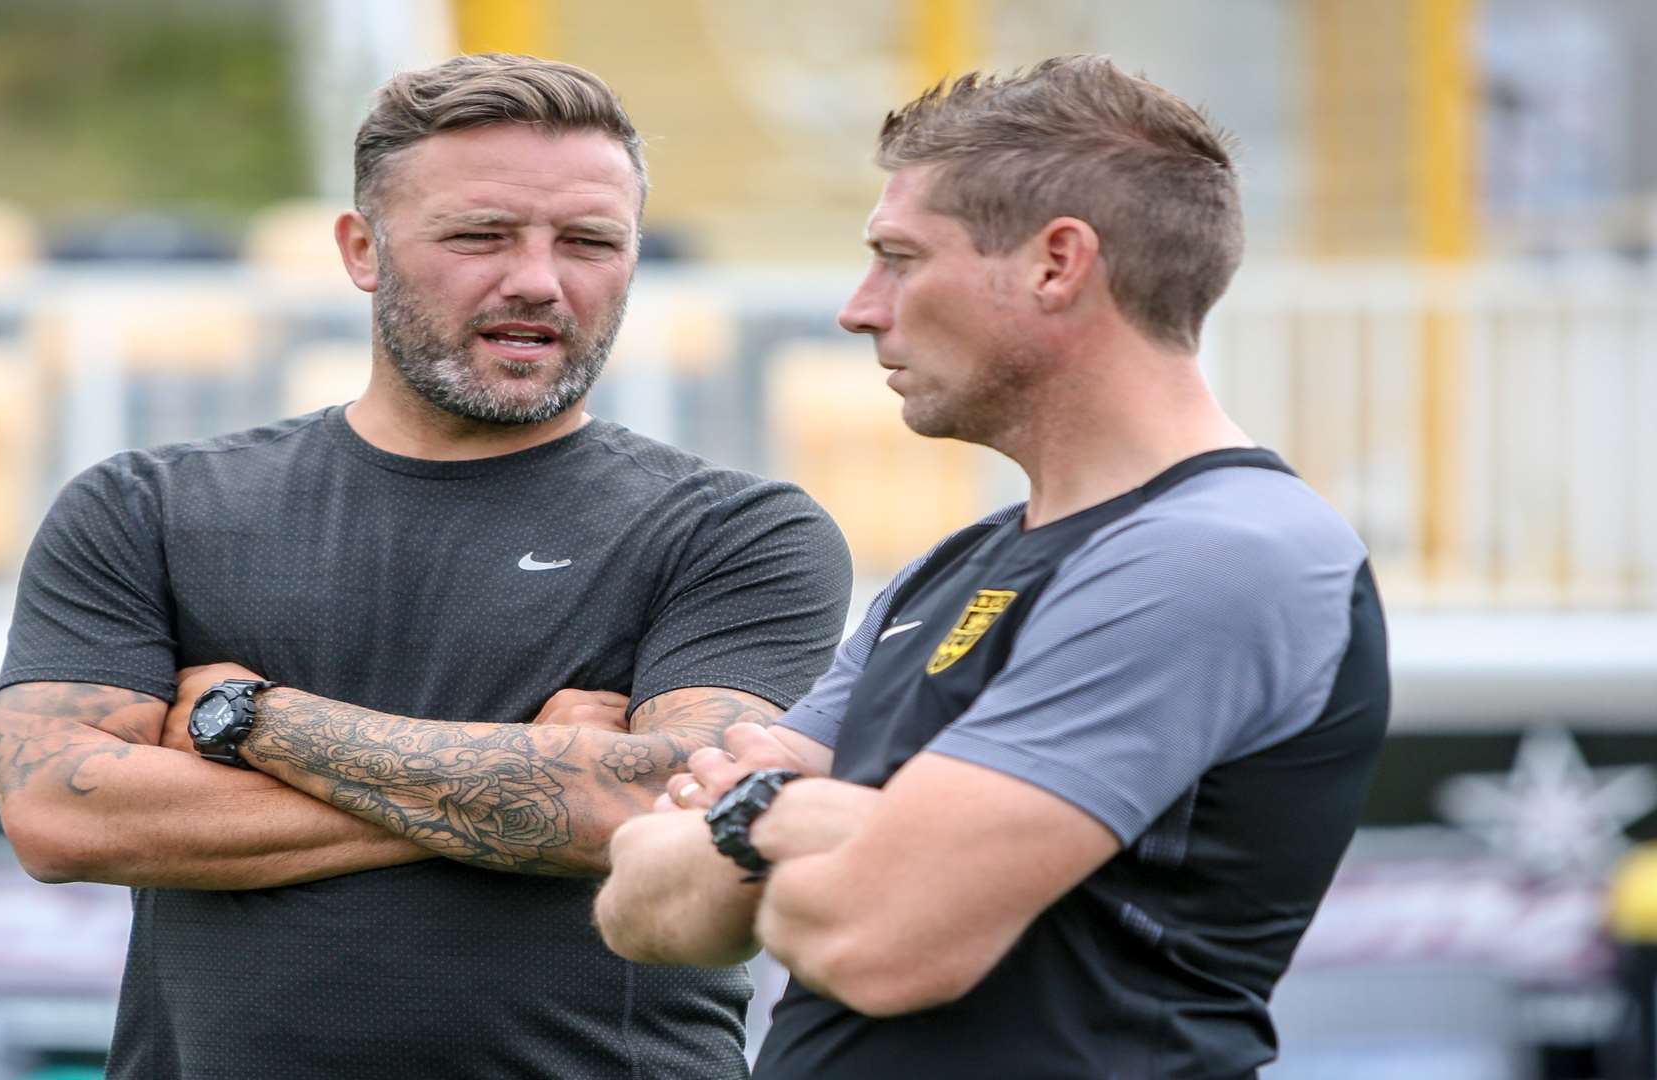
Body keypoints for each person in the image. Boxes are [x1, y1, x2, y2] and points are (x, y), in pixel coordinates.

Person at [0, 54, 851, 1079]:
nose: (537, 279)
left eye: (588, 242)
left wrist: (255, 723)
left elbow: (662, 814)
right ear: (363, 248)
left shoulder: (737, 532)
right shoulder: (148, 507)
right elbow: (61, 815)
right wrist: (531, 776)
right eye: (479, 235)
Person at [595, 54, 1390, 1078]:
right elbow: (641, 905)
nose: (860, 306)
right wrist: (824, 826)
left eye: (900, 257)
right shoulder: (958, 567)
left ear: (1057, 263)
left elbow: (874, 943)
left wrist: (753, 816)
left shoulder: (1218, 554)